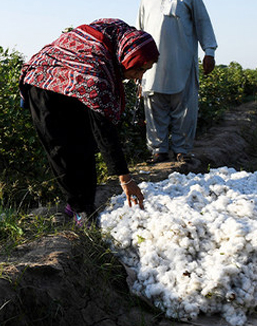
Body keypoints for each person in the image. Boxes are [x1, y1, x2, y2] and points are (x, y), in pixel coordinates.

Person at [19, 18, 159, 225]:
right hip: (44, 84)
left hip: (74, 83)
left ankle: (82, 202)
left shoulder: (119, 36)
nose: (139, 76)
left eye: (145, 70)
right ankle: (80, 210)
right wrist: (125, 179)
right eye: (138, 70)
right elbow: (104, 129)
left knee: (84, 143)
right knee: (61, 148)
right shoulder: (97, 72)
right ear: (125, 60)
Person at [136, 0, 218, 164]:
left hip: (182, 62)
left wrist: (209, 51)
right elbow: (140, 31)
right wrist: (136, 66)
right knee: (154, 108)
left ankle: (183, 150)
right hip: (152, 66)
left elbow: (203, 22)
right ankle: (159, 151)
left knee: (184, 110)